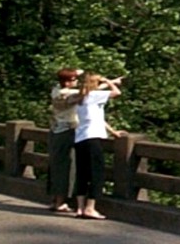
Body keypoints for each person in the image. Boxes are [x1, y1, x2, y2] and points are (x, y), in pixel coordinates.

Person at [74, 72, 123, 219]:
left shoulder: (80, 97)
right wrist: (110, 81)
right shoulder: (94, 96)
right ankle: (90, 208)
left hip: (80, 138)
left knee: (82, 173)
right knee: (96, 173)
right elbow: (116, 92)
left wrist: (112, 131)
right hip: (93, 138)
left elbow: (97, 116)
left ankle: (80, 208)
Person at [47, 67, 83, 212]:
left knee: (56, 164)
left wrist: (76, 72)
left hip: (56, 130)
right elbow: (87, 93)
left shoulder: (56, 89)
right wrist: (109, 82)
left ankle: (55, 199)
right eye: (74, 80)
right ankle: (60, 202)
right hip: (67, 131)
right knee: (65, 166)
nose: (77, 81)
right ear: (67, 82)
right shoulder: (65, 94)